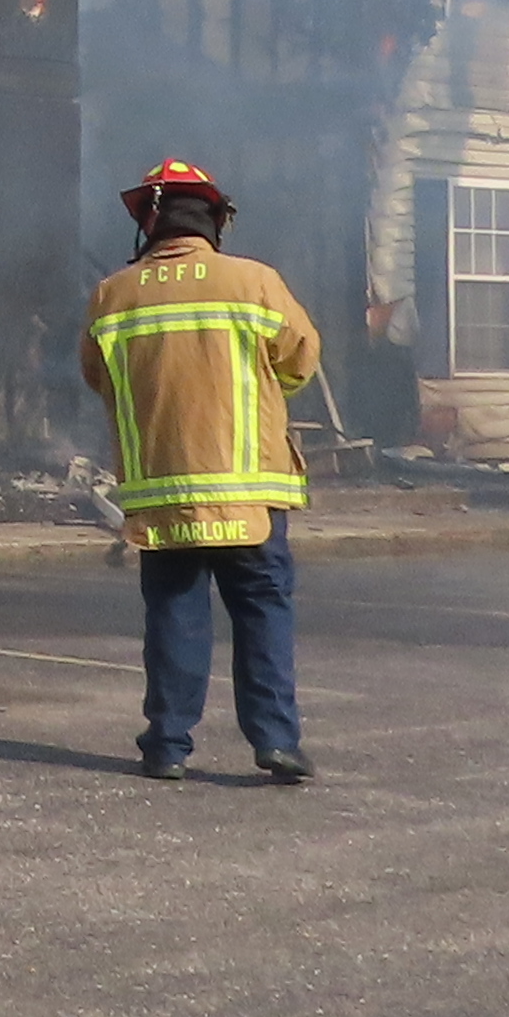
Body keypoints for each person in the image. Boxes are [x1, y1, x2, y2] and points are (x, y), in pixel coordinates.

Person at [81, 159, 317, 785]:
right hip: (249, 497)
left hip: (164, 498)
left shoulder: (112, 294)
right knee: (262, 610)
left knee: (175, 616)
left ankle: (167, 744)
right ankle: (275, 742)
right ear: (215, 218)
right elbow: (299, 363)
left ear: (149, 223)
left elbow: (97, 378)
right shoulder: (255, 282)